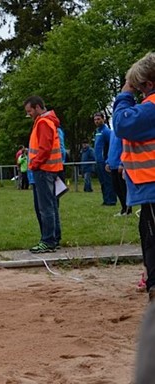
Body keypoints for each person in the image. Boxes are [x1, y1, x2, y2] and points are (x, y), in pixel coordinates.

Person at [112, 52, 155, 302]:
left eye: (140, 88)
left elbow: (122, 123)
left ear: (148, 84)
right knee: (147, 233)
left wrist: (125, 92)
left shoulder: (150, 108)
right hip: (148, 187)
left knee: (151, 239)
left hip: (151, 186)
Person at [24, 96, 63, 253]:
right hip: (51, 169)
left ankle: (48, 240)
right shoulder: (49, 121)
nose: (29, 115)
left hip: (43, 170)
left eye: (30, 111)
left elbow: (44, 148)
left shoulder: (43, 122)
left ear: (38, 107)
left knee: (45, 207)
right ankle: (54, 238)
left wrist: (34, 164)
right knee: (52, 205)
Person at [106, 124, 132, 216]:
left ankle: (128, 210)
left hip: (120, 165)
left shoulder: (123, 131)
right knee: (116, 188)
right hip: (112, 165)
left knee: (123, 188)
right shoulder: (112, 132)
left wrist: (122, 163)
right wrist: (108, 161)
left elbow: (125, 148)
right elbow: (111, 148)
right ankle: (123, 209)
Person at [93, 112, 117, 206]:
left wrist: (108, 160)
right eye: (95, 120)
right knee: (102, 182)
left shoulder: (107, 132)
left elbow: (111, 146)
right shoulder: (97, 132)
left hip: (104, 161)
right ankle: (105, 199)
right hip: (98, 161)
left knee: (108, 181)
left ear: (103, 119)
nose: (97, 121)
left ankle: (111, 200)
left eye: (98, 119)